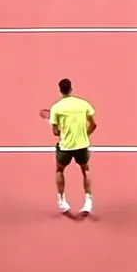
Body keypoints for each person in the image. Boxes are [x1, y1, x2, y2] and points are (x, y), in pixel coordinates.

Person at [49, 78, 96, 215]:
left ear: (60, 90)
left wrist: (61, 132)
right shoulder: (84, 104)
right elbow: (93, 125)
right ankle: (88, 202)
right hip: (82, 145)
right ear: (71, 88)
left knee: (59, 170)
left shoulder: (56, 108)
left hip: (66, 147)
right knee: (85, 170)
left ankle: (62, 202)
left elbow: (55, 132)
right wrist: (85, 134)